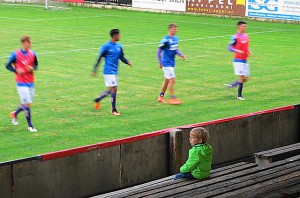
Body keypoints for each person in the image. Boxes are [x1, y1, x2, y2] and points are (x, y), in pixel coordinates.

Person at [93, 29, 132, 116]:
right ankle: (114, 110)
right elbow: (100, 58)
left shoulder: (119, 46)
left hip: (114, 71)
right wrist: (95, 70)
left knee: (112, 90)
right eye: (118, 35)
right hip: (108, 71)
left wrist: (127, 62)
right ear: (114, 36)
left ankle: (98, 99)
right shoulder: (106, 46)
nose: (119, 36)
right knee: (114, 88)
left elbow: (121, 57)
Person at [6, 35, 39, 132]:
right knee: (27, 104)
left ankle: (14, 114)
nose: (31, 44)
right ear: (24, 43)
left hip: (30, 82)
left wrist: (33, 68)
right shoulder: (15, 54)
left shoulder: (33, 53)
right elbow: (7, 65)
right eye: (29, 42)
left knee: (26, 104)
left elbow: (36, 64)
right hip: (21, 83)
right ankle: (30, 126)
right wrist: (16, 70)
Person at [157, 23, 186, 105]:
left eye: (176, 29)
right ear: (170, 29)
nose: (176, 30)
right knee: (172, 80)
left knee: (166, 81)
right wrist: (160, 62)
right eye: (174, 29)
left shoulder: (176, 38)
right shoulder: (165, 40)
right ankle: (172, 98)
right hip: (166, 64)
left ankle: (160, 97)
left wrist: (181, 55)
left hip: (172, 63)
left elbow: (175, 49)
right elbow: (158, 52)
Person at [225, 21, 253, 100]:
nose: (245, 28)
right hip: (238, 60)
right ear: (239, 27)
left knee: (245, 79)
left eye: (245, 26)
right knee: (242, 77)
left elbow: (245, 46)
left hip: (245, 60)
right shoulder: (234, 37)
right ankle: (239, 95)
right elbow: (229, 47)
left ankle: (231, 85)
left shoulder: (246, 36)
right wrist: (237, 51)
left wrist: (249, 50)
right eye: (244, 26)